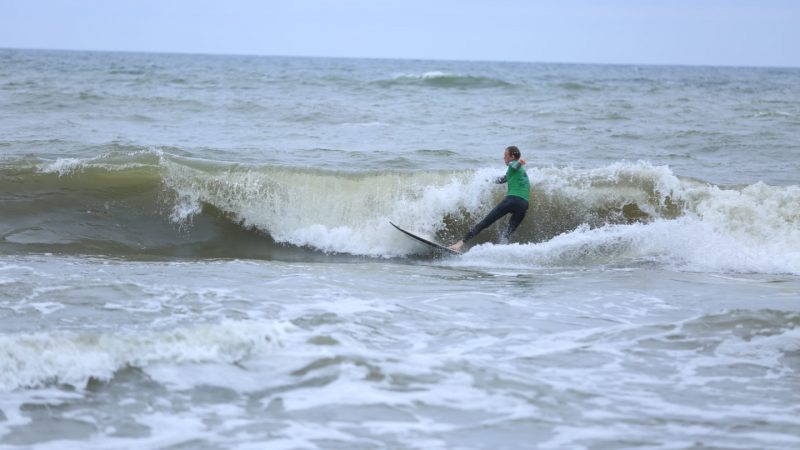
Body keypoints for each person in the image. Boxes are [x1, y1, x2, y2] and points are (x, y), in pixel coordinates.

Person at [448, 145, 530, 253]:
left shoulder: (513, 164)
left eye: (505, 155)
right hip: (524, 204)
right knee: (507, 233)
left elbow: (514, 165)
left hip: (512, 200)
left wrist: (519, 162)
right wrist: (486, 180)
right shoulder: (519, 172)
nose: (504, 158)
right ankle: (501, 252)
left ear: (512, 156)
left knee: (486, 222)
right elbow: (503, 179)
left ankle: (459, 244)